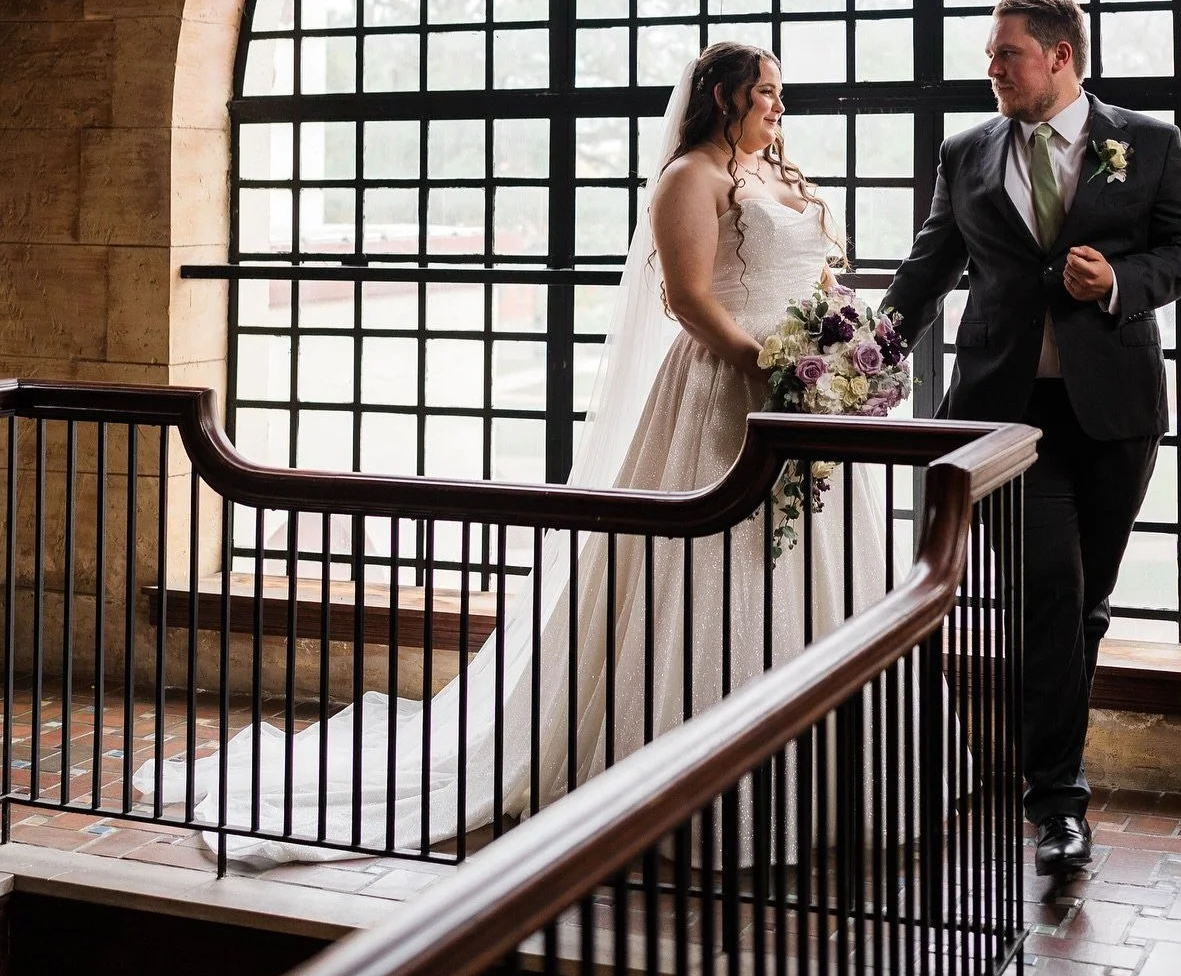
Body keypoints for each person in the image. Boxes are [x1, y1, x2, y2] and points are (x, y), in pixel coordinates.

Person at [145, 44, 889, 865]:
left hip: (809, 401)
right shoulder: (690, 178)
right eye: (766, 92)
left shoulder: (780, 174)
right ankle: (695, 783)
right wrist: (767, 367)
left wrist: (839, 353)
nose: (779, 106)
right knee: (717, 569)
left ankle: (833, 782)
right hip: (727, 393)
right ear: (723, 97)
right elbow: (687, 299)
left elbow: (821, 281)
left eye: (780, 92)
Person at [881, 0, 1181, 877]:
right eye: (992, 55)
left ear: (1060, 56)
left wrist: (1120, 280)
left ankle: (1057, 756)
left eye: (1007, 55)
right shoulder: (965, 152)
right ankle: (1058, 805)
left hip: (1114, 415)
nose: (991, 69)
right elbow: (928, 269)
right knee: (1048, 598)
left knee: (1085, 602)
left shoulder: (1148, 143)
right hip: (1005, 418)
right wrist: (864, 353)